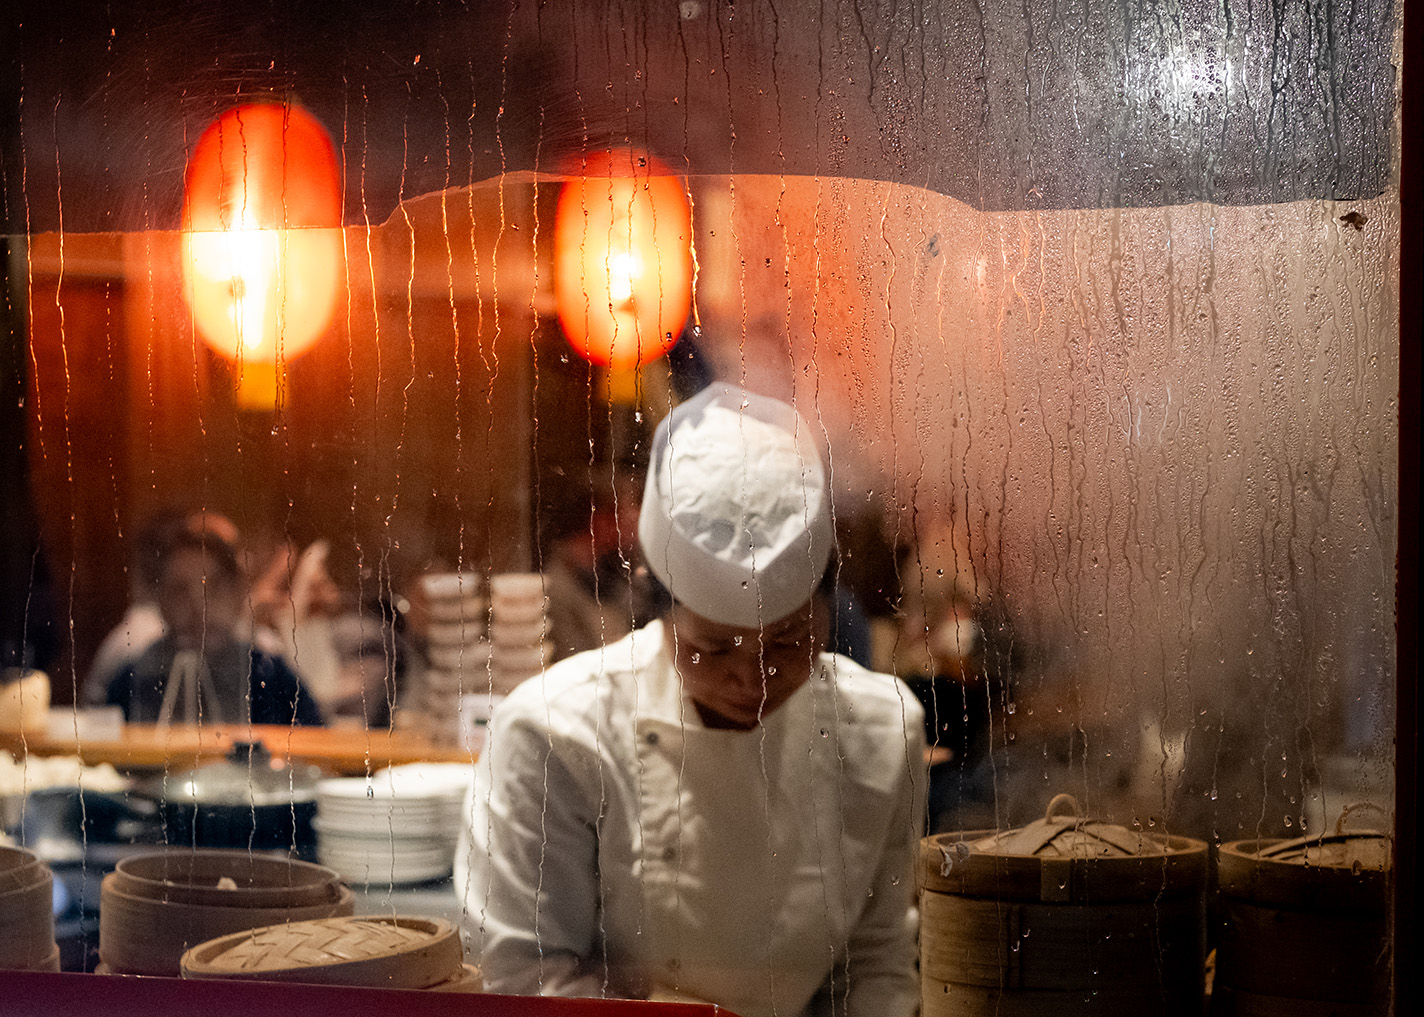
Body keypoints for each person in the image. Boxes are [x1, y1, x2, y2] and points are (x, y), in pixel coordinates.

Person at [458, 385, 925, 1016]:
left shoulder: (881, 729)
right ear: (657, 615)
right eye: (715, 649)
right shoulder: (555, 733)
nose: (751, 680)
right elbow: (519, 978)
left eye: (788, 643)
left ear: (829, 613)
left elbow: (878, 962)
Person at [105, 513, 323, 727]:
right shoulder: (134, 679)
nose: (199, 608)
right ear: (160, 601)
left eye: (215, 588)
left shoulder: (269, 676)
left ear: (237, 594)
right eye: (179, 591)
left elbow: (317, 739)